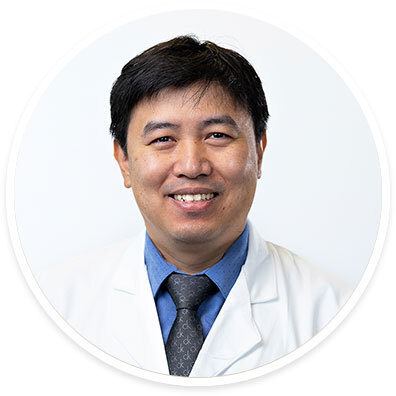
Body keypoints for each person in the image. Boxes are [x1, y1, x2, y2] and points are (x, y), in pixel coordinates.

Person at [40, 35, 351, 377]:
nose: (191, 165)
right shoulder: (52, 307)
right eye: (163, 139)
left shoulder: (338, 314)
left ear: (259, 151)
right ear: (124, 160)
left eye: (217, 135)